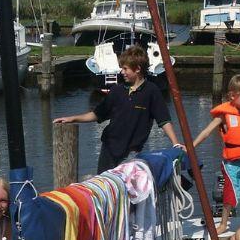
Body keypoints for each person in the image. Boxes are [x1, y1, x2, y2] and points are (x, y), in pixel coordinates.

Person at [53, 46, 183, 173]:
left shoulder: (152, 91)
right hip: (108, 148)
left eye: (125, 69)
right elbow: (98, 114)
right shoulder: (116, 90)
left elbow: (164, 120)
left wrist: (176, 144)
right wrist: (72, 118)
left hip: (132, 153)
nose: (122, 72)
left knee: (127, 190)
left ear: (137, 69)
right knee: (104, 186)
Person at [191, 73, 240, 234]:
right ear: (232, 96)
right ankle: (223, 224)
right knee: (230, 193)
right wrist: (191, 146)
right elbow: (207, 132)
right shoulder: (224, 114)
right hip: (233, 163)